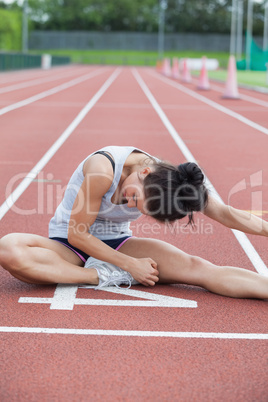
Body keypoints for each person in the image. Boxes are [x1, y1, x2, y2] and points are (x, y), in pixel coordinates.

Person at [0, 145, 267, 299]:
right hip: (69, 245)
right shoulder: (102, 170)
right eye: (134, 198)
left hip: (118, 242)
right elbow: (78, 235)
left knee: (199, 268)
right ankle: (100, 275)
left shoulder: (177, 185)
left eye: (140, 209)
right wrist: (129, 266)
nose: (129, 206)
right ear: (144, 172)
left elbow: (226, 214)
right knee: (9, 250)